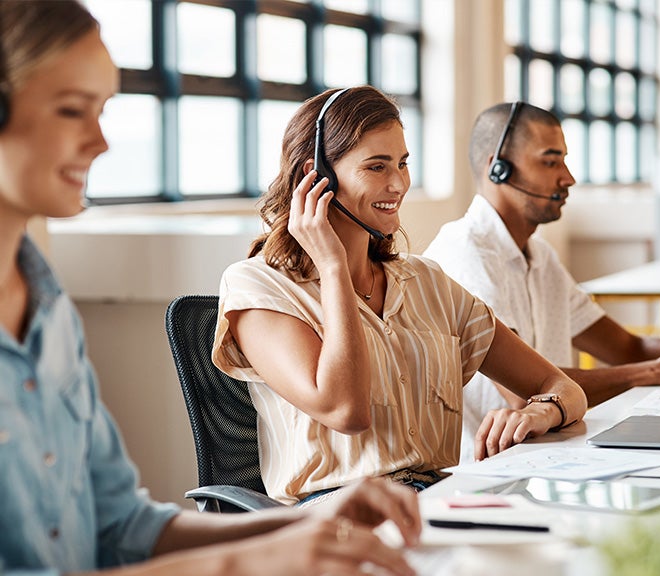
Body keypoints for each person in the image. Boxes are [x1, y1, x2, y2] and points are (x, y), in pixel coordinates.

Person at [0, 2, 422, 575]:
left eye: (102, 111)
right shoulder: (259, 286)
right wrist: (247, 563)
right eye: (72, 110)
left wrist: (307, 522)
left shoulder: (47, 309)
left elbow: (124, 527)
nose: (101, 142)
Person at [211, 86, 588, 506]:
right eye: (376, 166)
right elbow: (345, 411)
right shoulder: (258, 287)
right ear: (315, 176)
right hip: (335, 512)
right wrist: (333, 267)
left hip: (436, 497)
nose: (398, 184)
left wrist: (542, 410)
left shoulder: (427, 282)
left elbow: (563, 388)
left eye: (403, 163)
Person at [422, 101, 660, 463]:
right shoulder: (465, 255)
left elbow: (627, 348)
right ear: (498, 168)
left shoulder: (540, 255)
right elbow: (524, 394)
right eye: (550, 162)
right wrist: (655, 373)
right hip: (489, 467)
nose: (568, 178)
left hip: (550, 456)